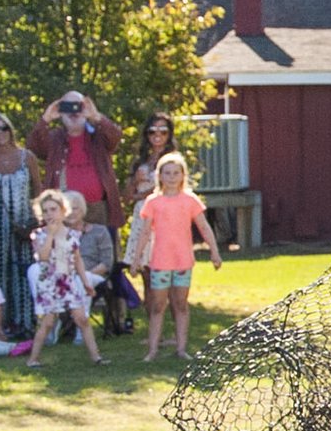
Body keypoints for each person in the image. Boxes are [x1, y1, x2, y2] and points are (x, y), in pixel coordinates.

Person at [130, 152, 220, 362]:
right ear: (159, 176)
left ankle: (181, 348)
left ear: (182, 175)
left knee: (180, 304)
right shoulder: (153, 201)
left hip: (182, 261)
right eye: (167, 173)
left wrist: (214, 251)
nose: (171, 177)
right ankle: (152, 350)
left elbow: (204, 226)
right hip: (160, 261)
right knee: (157, 305)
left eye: (176, 173)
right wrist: (136, 260)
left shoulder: (190, 200)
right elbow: (144, 233)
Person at [24, 188, 108, 368]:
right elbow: (43, 257)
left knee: (82, 319)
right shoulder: (39, 235)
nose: (49, 214)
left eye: (53, 209)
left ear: (63, 211)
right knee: (47, 323)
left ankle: (96, 357)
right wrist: (51, 235)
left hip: (68, 283)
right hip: (48, 284)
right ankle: (33, 358)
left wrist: (86, 282)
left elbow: (77, 260)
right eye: (45, 210)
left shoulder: (72, 235)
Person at [26, 90, 124, 230]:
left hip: (98, 210)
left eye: (78, 106)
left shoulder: (99, 136)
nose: (74, 112)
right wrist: (45, 119)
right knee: (65, 250)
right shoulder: (55, 139)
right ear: (61, 111)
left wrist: (96, 116)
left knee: (101, 250)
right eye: (68, 107)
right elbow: (34, 147)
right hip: (64, 210)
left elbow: (115, 137)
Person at [0, 112, 41, 335]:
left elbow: (38, 189)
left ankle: (25, 323)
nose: (0, 134)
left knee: (24, 273)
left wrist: (36, 223)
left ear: (10, 130)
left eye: (3, 128)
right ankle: (0, 324)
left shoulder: (27, 157)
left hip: (23, 226)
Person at [120, 111, 178, 316]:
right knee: (145, 270)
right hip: (141, 216)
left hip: (164, 216)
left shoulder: (173, 160)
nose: (158, 135)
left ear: (169, 134)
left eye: (163, 131)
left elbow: (172, 189)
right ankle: (152, 319)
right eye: (153, 131)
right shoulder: (140, 162)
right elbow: (127, 196)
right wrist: (135, 182)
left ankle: (171, 320)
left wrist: (143, 193)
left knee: (163, 271)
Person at [63, 189, 114, 344]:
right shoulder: (59, 234)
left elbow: (107, 263)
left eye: (75, 208)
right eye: (67, 208)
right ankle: (50, 327)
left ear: (83, 209)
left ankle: (81, 330)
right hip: (65, 277)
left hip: (95, 276)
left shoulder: (99, 231)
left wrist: (83, 275)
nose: (71, 212)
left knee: (80, 282)